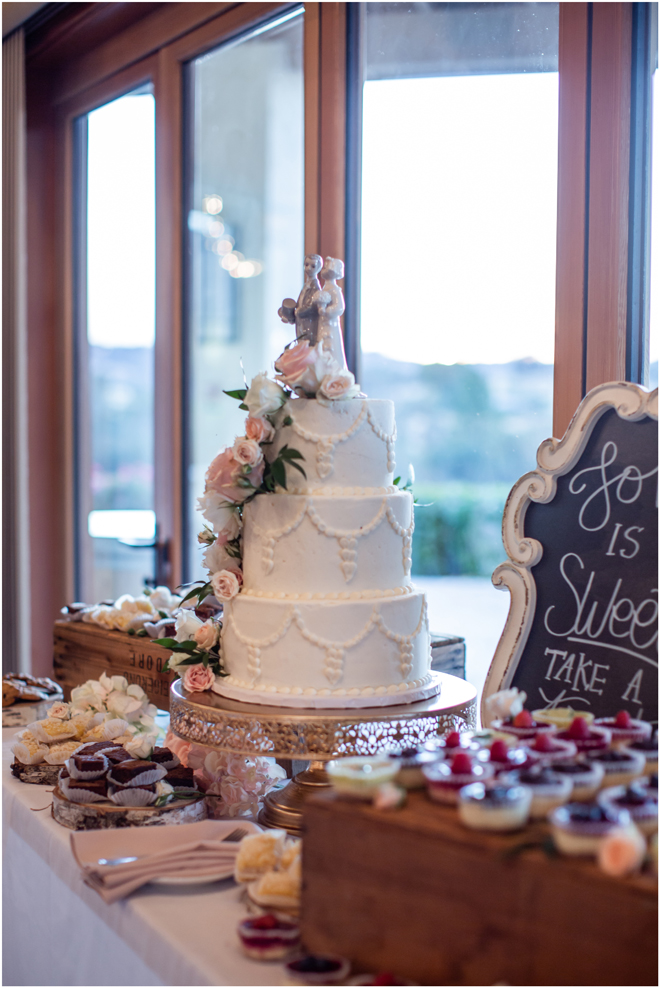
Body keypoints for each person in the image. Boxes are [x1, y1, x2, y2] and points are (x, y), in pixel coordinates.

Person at [278, 254, 325, 345]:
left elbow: (312, 305)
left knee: (307, 345)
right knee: (301, 343)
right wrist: (291, 315)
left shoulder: (315, 287)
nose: (309, 268)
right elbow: (302, 301)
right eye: (306, 265)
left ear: (319, 268)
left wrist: (298, 311)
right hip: (301, 322)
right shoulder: (306, 285)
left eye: (313, 266)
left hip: (309, 324)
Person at [317, 257, 348, 371]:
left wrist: (327, 311)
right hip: (323, 323)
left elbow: (339, 307)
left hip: (331, 324)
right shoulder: (325, 288)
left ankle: (334, 369)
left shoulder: (335, 290)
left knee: (332, 345)